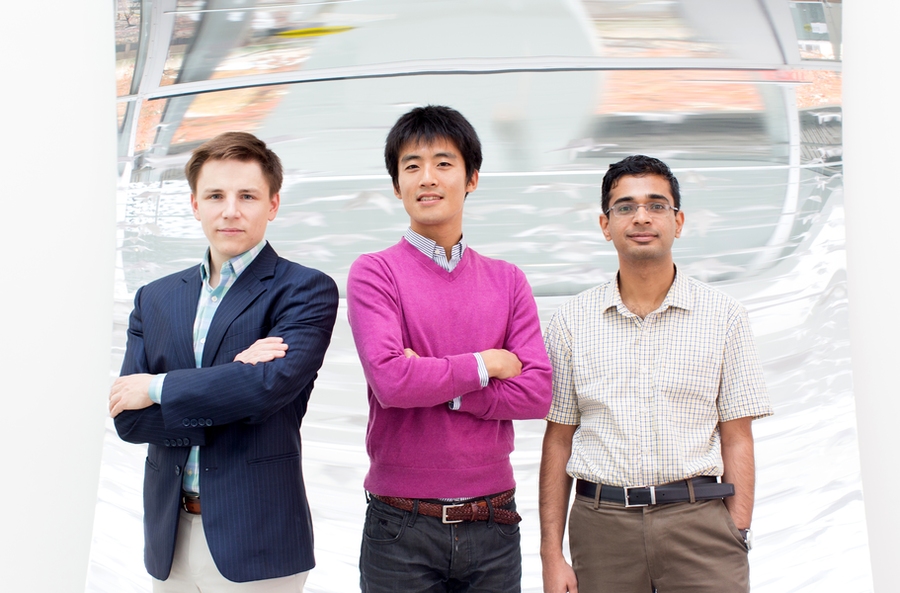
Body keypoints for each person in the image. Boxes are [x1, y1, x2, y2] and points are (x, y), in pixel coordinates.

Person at [109, 131, 339, 592]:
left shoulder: (303, 290)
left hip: (258, 540)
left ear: (272, 204)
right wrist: (232, 385)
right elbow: (129, 423)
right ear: (195, 204)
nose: (230, 210)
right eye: (215, 195)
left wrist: (157, 389)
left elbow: (265, 391)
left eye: (247, 196)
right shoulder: (154, 299)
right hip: (169, 537)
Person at [540, 155, 773, 593]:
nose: (641, 217)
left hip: (700, 527)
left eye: (656, 205)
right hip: (601, 529)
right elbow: (559, 439)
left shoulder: (724, 316)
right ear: (605, 225)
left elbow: (737, 435)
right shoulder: (570, 321)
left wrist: (736, 531)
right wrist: (551, 554)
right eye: (625, 207)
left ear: (679, 220)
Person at [346, 105, 553, 593]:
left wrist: (450, 387)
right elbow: (392, 382)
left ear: (472, 178)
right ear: (397, 186)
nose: (427, 178)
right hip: (401, 525)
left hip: (494, 520)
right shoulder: (374, 272)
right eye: (411, 166)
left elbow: (538, 393)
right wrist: (489, 363)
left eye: (443, 162)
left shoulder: (508, 279)